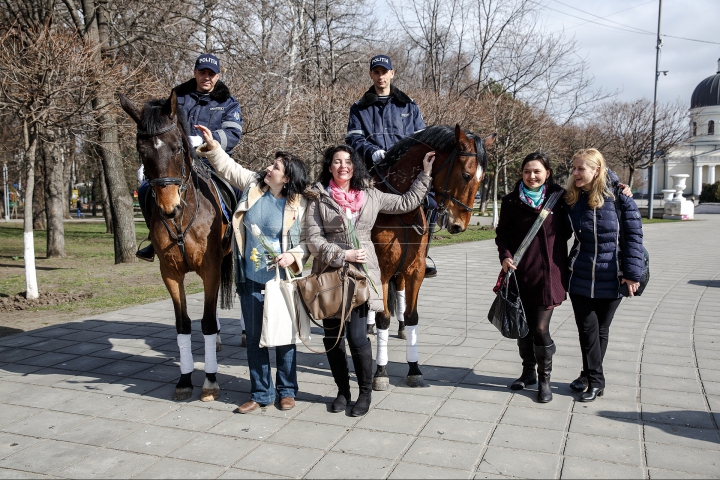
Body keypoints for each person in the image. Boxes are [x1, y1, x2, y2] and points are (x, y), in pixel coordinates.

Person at [305, 144, 434, 416]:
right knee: (332, 338)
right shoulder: (318, 196)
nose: (343, 166)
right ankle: (342, 390)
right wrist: (342, 253)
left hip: (362, 275)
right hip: (329, 273)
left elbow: (406, 202)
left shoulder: (371, 195)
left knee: (357, 336)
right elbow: (313, 239)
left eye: (348, 161)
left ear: (355, 167)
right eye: (337, 162)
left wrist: (425, 175)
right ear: (329, 167)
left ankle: (364, 393)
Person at [195, 124, 312, 413]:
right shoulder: (253, 185)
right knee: (256, 340)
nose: (269, 168)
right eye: (272, 164)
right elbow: (228, 167)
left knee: (285, 338)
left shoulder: (300, 203)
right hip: (250, 277)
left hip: (282, 280)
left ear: (286, 179)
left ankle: (286, 390)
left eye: (276, 166)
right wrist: (212, 146)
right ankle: (261, 392)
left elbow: (309, 241)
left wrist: (293, 256)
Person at [345, 54, 434, 336]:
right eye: (376, 72)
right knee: (357, 212)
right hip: (373, 172)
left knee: (428, 204)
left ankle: (423, 257)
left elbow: (422, 138)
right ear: (371, 75)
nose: (381, 76)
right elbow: (354, 138)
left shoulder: (408, 105)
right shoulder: (359, 107)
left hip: (406, 175)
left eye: (385, 72)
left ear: (393, 74)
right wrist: (374, 152)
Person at [137, 53, 242, 262]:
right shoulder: (178, 97)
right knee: (144, 189)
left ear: (218, 76)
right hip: (179, 162)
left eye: (211, 74)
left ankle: (238, 238)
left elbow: (233, 134)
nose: (206, 77)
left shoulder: (228, 103)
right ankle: (153, 238)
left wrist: (205, 142)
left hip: (214, 160)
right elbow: (161, 127)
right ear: (195, 73)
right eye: (202, 72)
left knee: (239, 191)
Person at [565, 148, 644, 402]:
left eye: (581, 168)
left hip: (613, 275)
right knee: (587, 329)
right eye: (574, 168)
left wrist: (632, 274)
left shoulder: (620, 197)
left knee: (600, 329)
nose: (575, 173)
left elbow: (634, 237)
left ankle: (588, 376)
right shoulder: (572, 199)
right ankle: (596, 381)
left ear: (596, 170)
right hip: (581, 274)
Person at [495, 152, 572, 403]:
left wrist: (620, 188)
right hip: (520, 275)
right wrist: (505, 256)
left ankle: (544, 379)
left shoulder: (560, 198)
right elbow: (502, 235)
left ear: (547, 173)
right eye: (527, 171)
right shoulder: (510, 201)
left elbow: (590, 190)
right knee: (523, 328)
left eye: (537, 171)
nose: (532, 176)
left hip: (550, 275)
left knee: (540, 328)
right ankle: (527, 372)